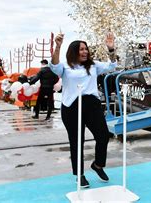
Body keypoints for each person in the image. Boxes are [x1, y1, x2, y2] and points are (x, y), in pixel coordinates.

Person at [50, 32, 117, 188]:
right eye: (81, 49)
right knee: (76, 141)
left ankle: (98, 165)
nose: (85, 52)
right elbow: (54, 66)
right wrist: (58, 46)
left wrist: (111, 50)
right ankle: (79, 175)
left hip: (91, 104)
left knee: (103, 136)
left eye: (86, 49)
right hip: (71, 106)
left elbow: (112, 65)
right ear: (74, 51)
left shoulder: (93, 66)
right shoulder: (65, 67)